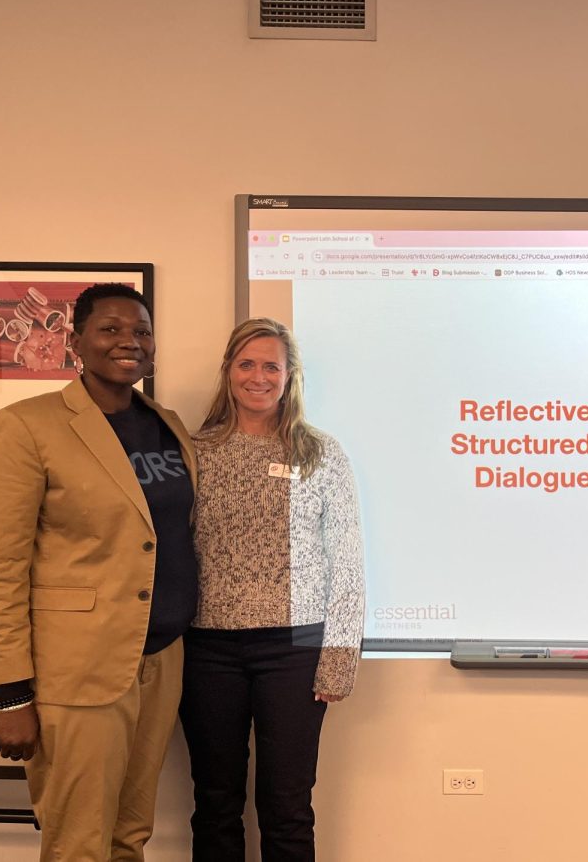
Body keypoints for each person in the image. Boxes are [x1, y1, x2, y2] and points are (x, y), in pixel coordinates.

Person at [0, 283, 197, 861]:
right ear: (76, 342)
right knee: (78, 843)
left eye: (142, 331)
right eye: (111, 329)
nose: (130, 341)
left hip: (160, 659)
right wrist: (10, 696)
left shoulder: (166, 425)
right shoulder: (28, 426)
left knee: (130, 834)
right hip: (78, 671)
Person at [179, 317, 364, 862]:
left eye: (271, 366)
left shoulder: (320, 454)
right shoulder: (195, 451)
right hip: (208, 650)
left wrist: (339, 659)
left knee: (287, 806)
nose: (258, 376)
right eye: (246, 364)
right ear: (228, 372)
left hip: (295, 652)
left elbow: (347, 561)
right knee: (214, 802)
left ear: (290, 377)